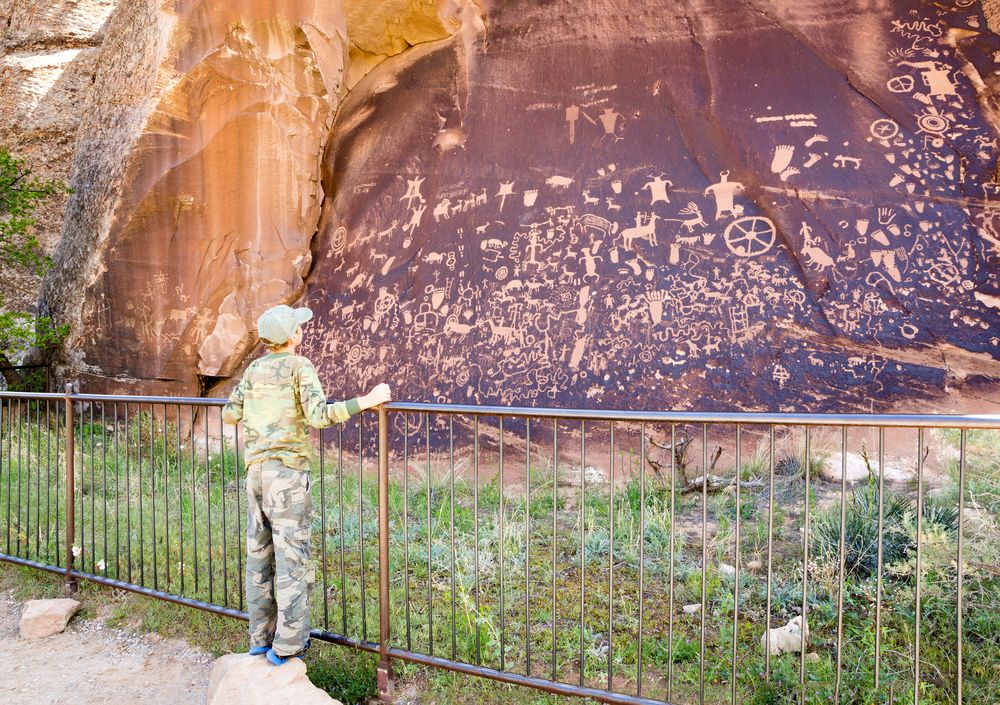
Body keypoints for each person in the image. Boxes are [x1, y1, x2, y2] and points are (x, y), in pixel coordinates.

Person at [222, 304, 391, 665]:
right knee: (292, 560)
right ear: (294, 336)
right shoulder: (300, 367)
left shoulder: (253, 370)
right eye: (299, 327)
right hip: (287, 475)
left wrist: (263, 412)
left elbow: (230, 413)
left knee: (259, 557)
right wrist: (368, 401)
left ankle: (259, 638)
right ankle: (288, 646)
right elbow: (318, 416)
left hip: (255, 474)